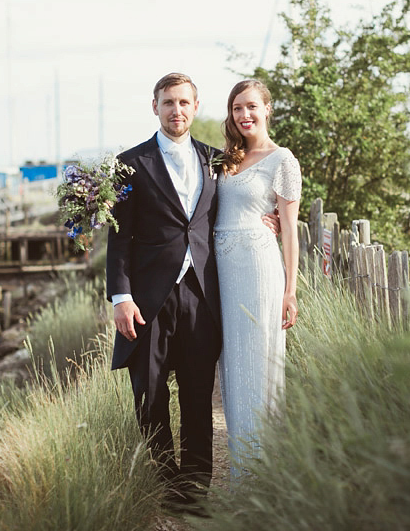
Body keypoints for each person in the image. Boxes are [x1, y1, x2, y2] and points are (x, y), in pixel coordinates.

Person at [106, 72, 278, 509]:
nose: (176, 110)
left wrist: (269, 219)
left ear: (195, 108)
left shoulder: (217, 160)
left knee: (199, 396)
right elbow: (119, 237)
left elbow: (242, 202)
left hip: (202, 294)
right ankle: (166, 484)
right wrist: (120, 297)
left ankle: (194, 490)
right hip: (146, 301)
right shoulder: (130, 163)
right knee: (150, 395)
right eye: (168, 102)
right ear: (155, 107)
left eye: (184, 103)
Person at [215, 78, 301, 481]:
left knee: (258, 359)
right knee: (232, 362)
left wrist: (291, 291)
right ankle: (241, 465)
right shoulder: (225, 160)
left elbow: (289, 229)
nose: (244, 115)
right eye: (237, 109)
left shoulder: (282, 160)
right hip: (223, 273)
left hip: (259, 268)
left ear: (268, 109)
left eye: (251, 107)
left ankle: (263, 473)